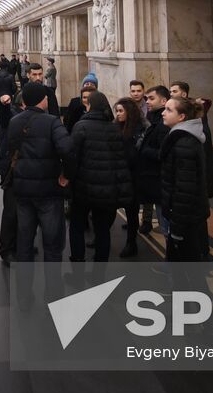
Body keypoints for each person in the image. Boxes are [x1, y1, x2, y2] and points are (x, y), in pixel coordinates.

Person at [1, 83, 74, 262]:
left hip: (22, 188)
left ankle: (25, 288)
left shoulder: (14, 121)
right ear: (43, 100)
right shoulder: (52, 122)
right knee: (52, 243)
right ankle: (53, 288)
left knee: (24, 240)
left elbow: (11, 150)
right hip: (48, 189)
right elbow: (68, 150)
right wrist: (66, 175)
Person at [67, 91, 132, 264]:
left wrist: (68, 179)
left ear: (90, 106)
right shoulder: (114, 128)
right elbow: (120, 159)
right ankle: (100, 265)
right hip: (107, 187)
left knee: (77, 226)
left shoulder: (81, 126)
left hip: (83, 187)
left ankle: (78, 261)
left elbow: (73, 156)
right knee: (102, 229)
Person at [160, 95, 210, 262]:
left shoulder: (184, 144)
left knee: (186, 265)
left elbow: (184, 188)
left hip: (184, 217)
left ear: (181, 117)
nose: (163, 113)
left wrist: (177, 226)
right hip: (185, 215)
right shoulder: (181, 138)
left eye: (168, 109)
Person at [130, 85, 171, 237]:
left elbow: (163, 153)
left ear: (164, 100)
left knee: (165, 223)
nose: (147, 102)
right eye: (147, 98)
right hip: (151, 178)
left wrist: (143, 150)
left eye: (151, 98)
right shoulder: (153, 117)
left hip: (158, 179)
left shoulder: (163, 124)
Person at [113, 96, 148, 258]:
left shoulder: (140, 129)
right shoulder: (115, 127)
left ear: (129, 112)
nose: (118, 114)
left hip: (134, 176)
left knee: (132, 211)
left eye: (121, 111)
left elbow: (137, 154)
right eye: (116, 111)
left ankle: (131, 242)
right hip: (117, 174)